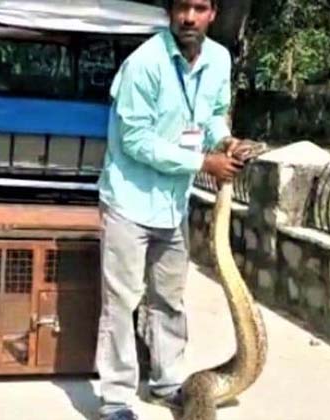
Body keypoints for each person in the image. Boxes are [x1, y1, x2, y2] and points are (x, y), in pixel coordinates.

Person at [95, 0, 253, 419]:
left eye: (199, 8)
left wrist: (225, 143)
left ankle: (167, 383)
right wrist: (203, 163)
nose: (189, 17)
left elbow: (215, 117)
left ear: (212, 13)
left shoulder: (219, 60)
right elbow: (136, 142)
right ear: (170, 12)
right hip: (130, 199)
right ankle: (115, 401)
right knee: (121, 302)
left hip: (172, 205)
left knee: (169, 300)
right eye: (182, 7)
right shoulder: (144, 64)